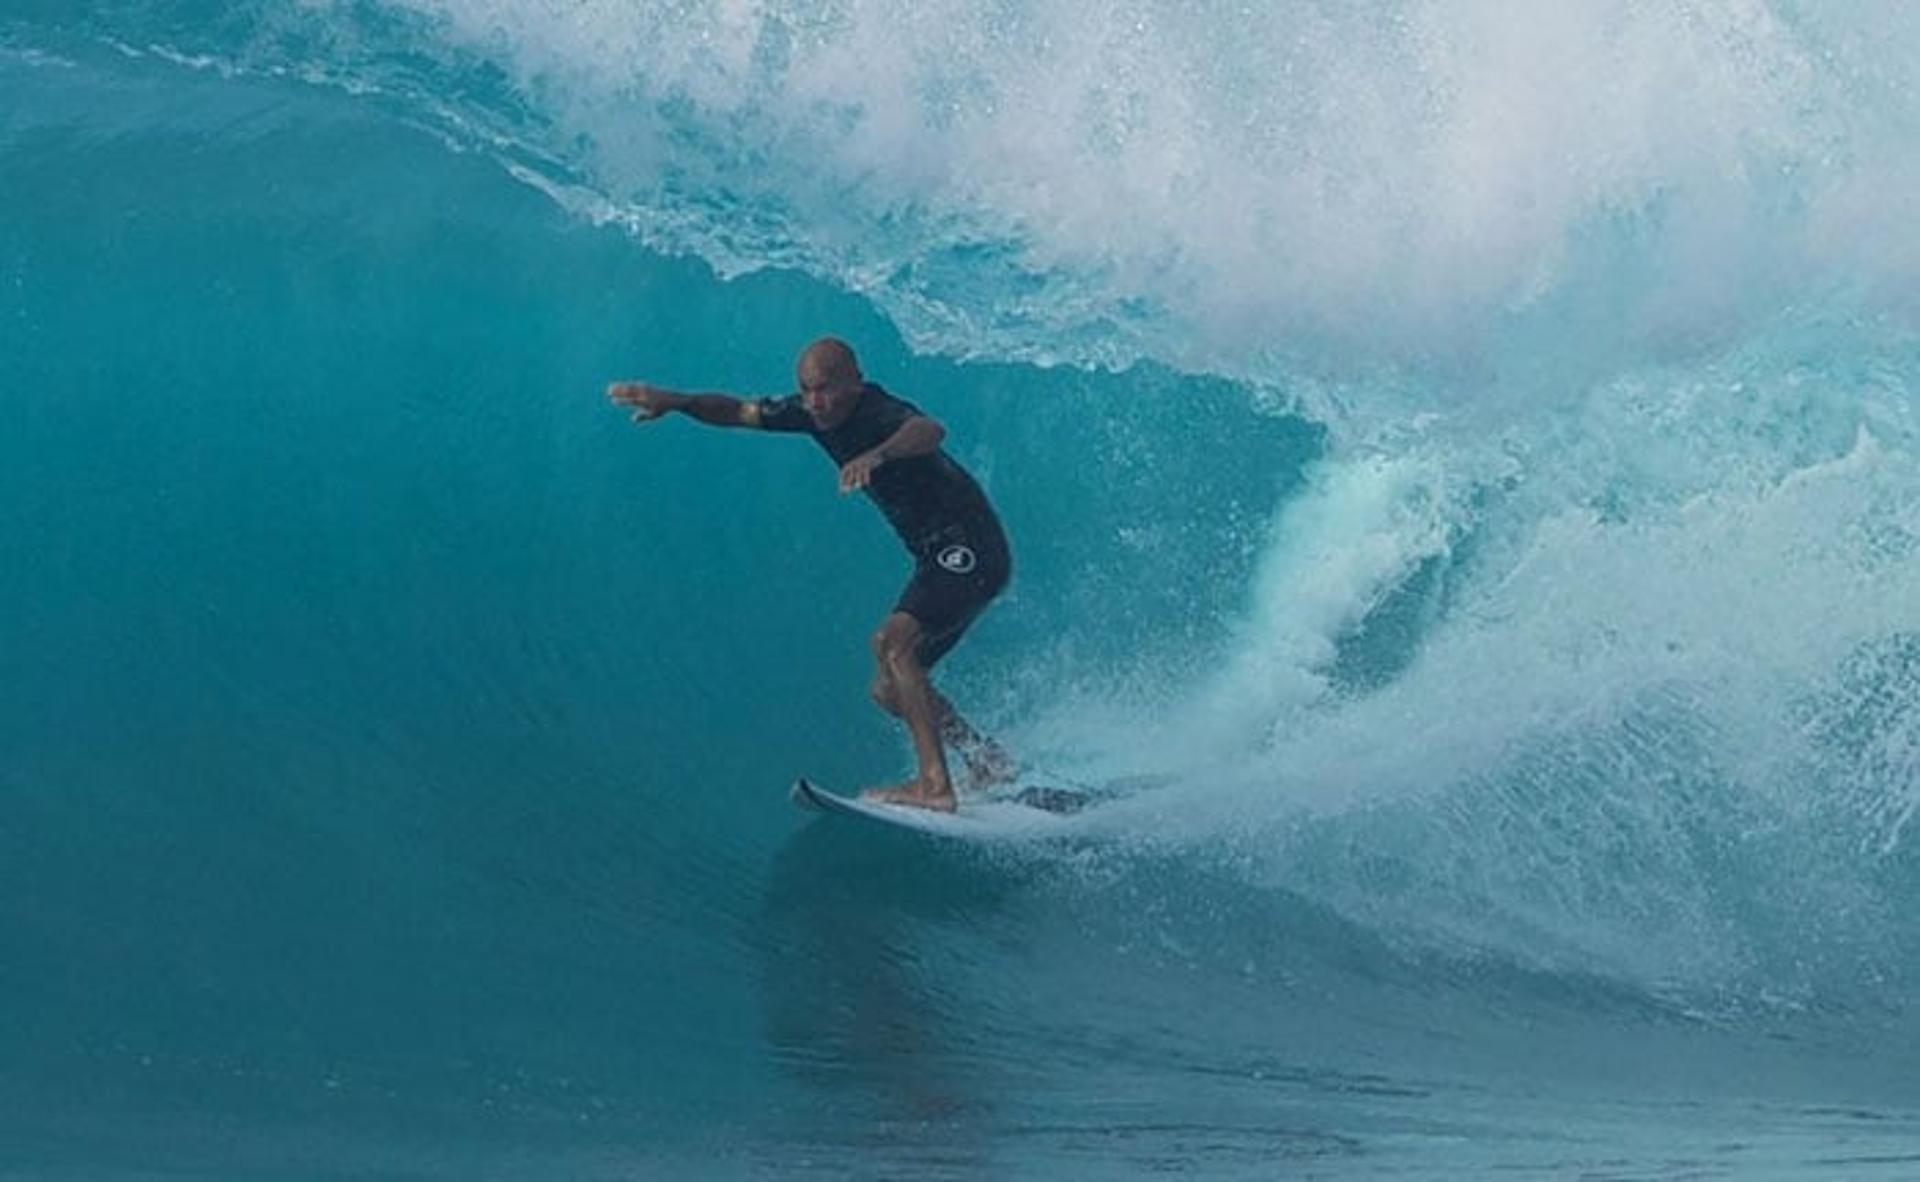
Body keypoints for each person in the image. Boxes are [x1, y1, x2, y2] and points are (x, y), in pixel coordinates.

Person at [607, 337, 1014, 812]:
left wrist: (876, 456)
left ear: (855, 384)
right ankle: (986, 759)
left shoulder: (878, 411)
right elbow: (737, 411)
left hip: (971, 548)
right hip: (934, 558)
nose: (815, 402)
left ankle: (935, 787)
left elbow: (929, 430)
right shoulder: (812, 413)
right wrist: (676, 402)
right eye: (806, 390)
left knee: (890, 643)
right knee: (891, 688)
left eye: (825, 389)